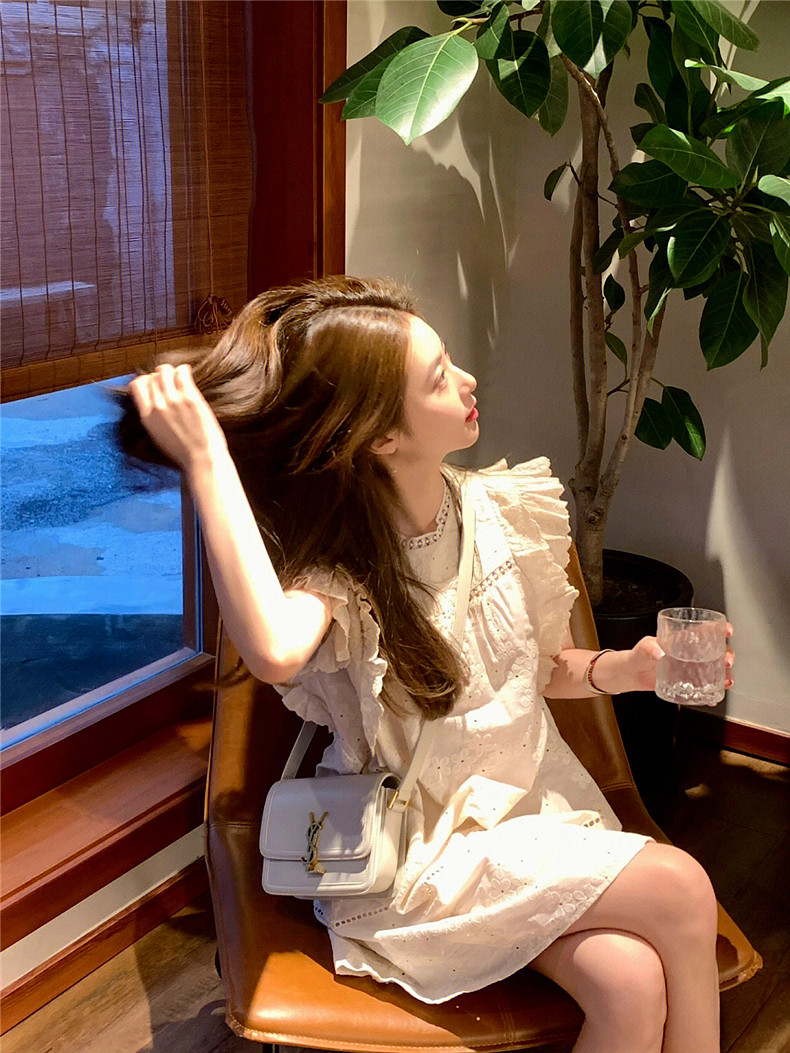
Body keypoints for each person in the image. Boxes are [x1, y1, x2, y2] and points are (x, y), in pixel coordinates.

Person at [122, 275, 732, 1053]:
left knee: (630, 981)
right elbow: (272, 649)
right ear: (382, 436)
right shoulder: (342, 572)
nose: (468, 381)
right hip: (424, 859)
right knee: (682, 886)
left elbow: (539, 667)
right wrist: (207, 459)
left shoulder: (503, 511)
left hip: (531, 817)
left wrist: (627, 668)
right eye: (440, 376)